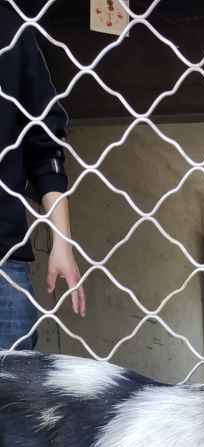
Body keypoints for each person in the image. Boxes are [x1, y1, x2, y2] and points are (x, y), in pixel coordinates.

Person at [0, 5, 85, 351]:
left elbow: (44, 142)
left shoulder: (9, 26)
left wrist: (62, 241)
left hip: (3, 265)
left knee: (12, 401)